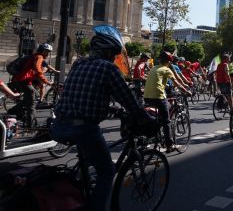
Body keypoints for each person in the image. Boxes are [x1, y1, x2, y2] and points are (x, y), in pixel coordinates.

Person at [51, 33, 155, 211]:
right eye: (114, 54)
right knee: (106, 172)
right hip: (83, 128)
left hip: (59, 124)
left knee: (88, 161)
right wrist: (146, 119)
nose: (115, 58)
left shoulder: (78, 64)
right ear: (107, 53)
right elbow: (128, 99)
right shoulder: (108, 68)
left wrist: (110, 109)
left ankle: (82, 191)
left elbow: (83, 96)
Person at [144, 51, 190, 153]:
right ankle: (169, 145)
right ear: (169, 61)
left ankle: (156, 130)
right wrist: (187, 91)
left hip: (147, 97)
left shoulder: (153, 68)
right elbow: (177, 83)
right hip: (158, 97)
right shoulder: (166, 69)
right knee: (166, 121)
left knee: (161, 114)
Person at [9, 43, 53, 126]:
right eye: (47, 52)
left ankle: (14, 111)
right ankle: (30, 123)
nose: (47, 54)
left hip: (19, 79)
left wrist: (44, 81)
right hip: (23, 80)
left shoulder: (34, 56)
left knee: (30, 97)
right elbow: (38, 70)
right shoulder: (39, 57)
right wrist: (47, 82)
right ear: (43, 51)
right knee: (32, 101)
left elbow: (34, 72)